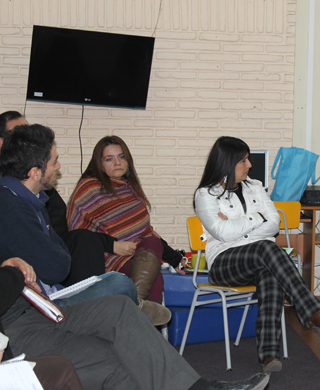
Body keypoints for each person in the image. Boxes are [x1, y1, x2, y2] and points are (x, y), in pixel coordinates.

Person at [0, 255, 269, 390]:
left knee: (120, 307)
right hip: (13, 332)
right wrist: (11, 274)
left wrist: (9, 264)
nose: (57, 166)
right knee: (112, 354)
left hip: (37, 307)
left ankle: (196, 388)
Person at [194, 136, 320, 373]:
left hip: (259, 258)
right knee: (267, 248)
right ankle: (312, 311)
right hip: (224, 263)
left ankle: (268, 355)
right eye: (244, 160)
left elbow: (274, 224)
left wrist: (240, 226)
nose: (249, 165)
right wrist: (255, 218)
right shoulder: (206, 195)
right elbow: (222, 233)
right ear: (228, 163)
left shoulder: (255, 186)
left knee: (271, 275)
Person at [0, 123, 168, 325]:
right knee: (119, 283)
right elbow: (58, 268)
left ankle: (134, 310)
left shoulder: (32, 198)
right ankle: (135, 308)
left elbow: (58, 249)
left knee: (137, 270)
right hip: (47, 305)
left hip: (56, 290)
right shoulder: (14, 208)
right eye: (54, 163)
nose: (58, 168)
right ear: (36, 173)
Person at [67, 136, 185, 306]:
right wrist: (113, 245)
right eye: (109, 159)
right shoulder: (88, 189)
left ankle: (139, 308)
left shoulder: (130, 190)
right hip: (106, 260)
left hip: (138, 257)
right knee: (153, 275)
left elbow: (146, 233)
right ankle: (142, 312)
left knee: (152, 245)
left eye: (121, 157)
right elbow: (78, 237)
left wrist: (175, 259)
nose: (117, 163)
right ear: (99, 164)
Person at [0, 256, 84, 390]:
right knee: (64, 370)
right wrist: (14, 273)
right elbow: (56, 268)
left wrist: (7, 266)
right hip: (18, 324)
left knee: (119, 304)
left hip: (38, 305)